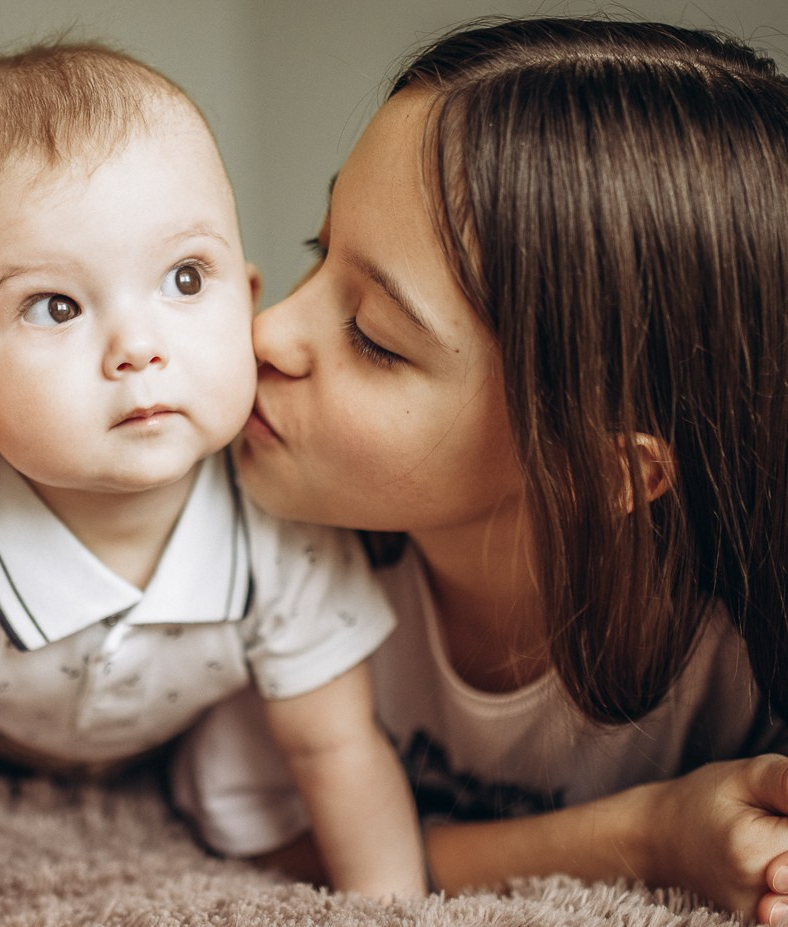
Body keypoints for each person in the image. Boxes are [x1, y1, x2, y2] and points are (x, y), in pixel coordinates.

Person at [169, 15, 788, 925]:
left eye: (375, 338)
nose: (265, 333)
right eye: (318, 249)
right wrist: (648, 832)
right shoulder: (260, 553)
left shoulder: (744, 655)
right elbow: (264, 835)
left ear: (600, 470)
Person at [0, 40, 425, 927]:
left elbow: (336, 746)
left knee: (249, 788)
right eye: (55, 305)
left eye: (185, 278)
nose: (139, 345)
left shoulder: (279, 516)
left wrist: (397, 911)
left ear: (246, 298)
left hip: (178, 738)